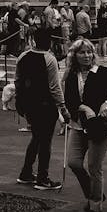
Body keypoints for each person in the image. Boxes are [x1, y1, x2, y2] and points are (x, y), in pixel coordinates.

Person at [63, 38, 107, 212]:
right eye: (82, 52)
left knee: (94, 166)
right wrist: (83, 108)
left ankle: (95, 205)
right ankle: (92, 192)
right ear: (74, 55)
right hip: (78, 125)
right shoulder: (70, 75)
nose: (86, 56)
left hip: (99, 126)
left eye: (89, 52)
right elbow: (69, 100)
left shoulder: (104, 73)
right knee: (74, 163)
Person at [15, 27, 69, 190]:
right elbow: (54, 87)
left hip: (28, 104)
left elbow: (17, 81)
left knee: (37, 137)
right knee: (45, 141)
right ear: (49, 41)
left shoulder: (23, 56)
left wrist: (20, 101)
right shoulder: (49, 59)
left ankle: (26, 172)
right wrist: (63, 107)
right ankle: (43, 178)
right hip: (45, 105)